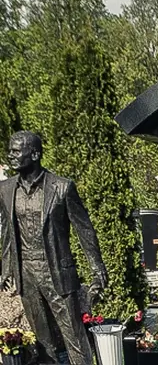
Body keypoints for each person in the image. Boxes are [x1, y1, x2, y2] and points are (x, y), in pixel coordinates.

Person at [0, 131, 107, 364]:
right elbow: (8, 232)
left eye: (17, 151)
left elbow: (85, 231)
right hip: (26, 273)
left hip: (57, 272)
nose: (11, 155)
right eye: (10, 150)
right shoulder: (6, 189)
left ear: (35, 154)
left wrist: (98, 271)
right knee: (42, 342)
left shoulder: (62, 187)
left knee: (75, 338)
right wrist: (5, 269)